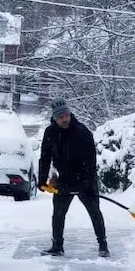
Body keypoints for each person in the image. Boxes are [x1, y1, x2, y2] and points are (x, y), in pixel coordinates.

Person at [38, 99, 108, 257]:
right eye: (61, 116)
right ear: (55, 118)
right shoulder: (50, 132)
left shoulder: (82, 132)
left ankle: (103, 245)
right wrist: (42, 180)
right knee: (58, 214)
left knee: (94, 212)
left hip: (85, 178)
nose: (64, 119)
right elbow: (45, 157)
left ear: (70, 114)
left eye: (66, 115)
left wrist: (87, 184)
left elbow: (91, 161)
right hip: (64, 179)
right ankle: (57, 246)